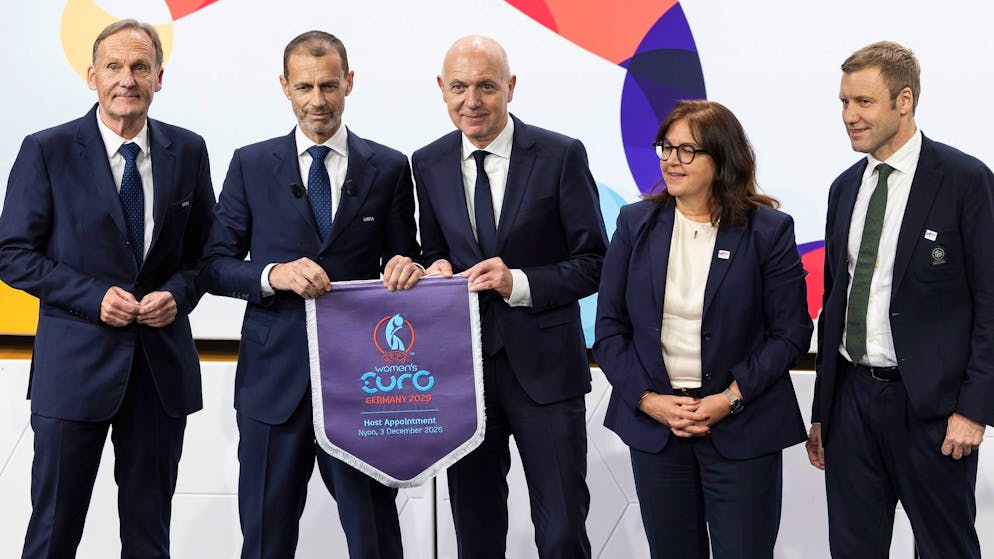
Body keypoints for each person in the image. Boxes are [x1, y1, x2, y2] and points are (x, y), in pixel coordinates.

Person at [200, 30, 422, 559]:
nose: (317, 100)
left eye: (328, 85)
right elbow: (213, 266)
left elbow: (407, 255)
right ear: (284, 87)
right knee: (265, 540)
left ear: (349, 83)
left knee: (374, 540)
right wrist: (272, 274)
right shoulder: (251, 164)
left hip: (366, 386)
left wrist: (405, 266)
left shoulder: (389, 167)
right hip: (274, 386)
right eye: (304, 87)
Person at [0, 19, 215, 558]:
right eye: (114, 67)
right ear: (91, 76)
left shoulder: (188, 151)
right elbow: (13, 254)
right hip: (72, 372)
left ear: (159, 78)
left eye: (140, 67)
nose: (127, 79)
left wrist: (179, 295)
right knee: (53, 532)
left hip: (159, 375)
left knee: (149, 537)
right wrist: (91, 296)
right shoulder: (46, 150)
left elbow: (205, 256)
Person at [411, 35, 608, 558]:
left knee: (563, 530)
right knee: (475, 533)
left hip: (546, 373)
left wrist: (517, 281)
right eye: (458, 87)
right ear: (441, 89)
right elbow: (435, 249)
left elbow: (595, 263)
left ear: (511, 88)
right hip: (463, 376)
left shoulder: (561, 155)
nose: (471, 101)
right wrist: (435, 267)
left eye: (486, 87)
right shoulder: (426, 163)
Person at [594, 100, 812, 558]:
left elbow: (791, 333)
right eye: (666, 148)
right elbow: (610, 330)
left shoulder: (767, 230)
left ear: (722, 158)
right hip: (657, 427)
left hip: (742, 424)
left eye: (687, 150)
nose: (671, 160)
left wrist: (729, 399)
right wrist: (648, 401)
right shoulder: (635, 225)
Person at [807, 41, 994, 558]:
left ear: (904, 100)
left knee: (944, 549)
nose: (849, 116)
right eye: (844, 102)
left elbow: (991, 304)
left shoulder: (965, 181)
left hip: (932, 412)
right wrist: (824, 412)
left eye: (863, 103)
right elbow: (835, 300)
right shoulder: (844, 188)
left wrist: (974, 410)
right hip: (851, 407)